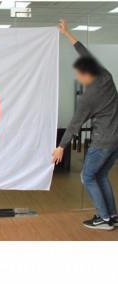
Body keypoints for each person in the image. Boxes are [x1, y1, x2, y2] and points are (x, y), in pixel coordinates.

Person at [53, 19, 118, 230]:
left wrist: (61, 147)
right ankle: (113, 216)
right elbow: (84, 52)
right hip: (116, 139)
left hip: (103, 142)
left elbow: (74, 125)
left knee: (87, 176)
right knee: (100, 175)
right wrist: (67, 33)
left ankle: (104, 218)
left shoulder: (88, 98)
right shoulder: (106, 76)